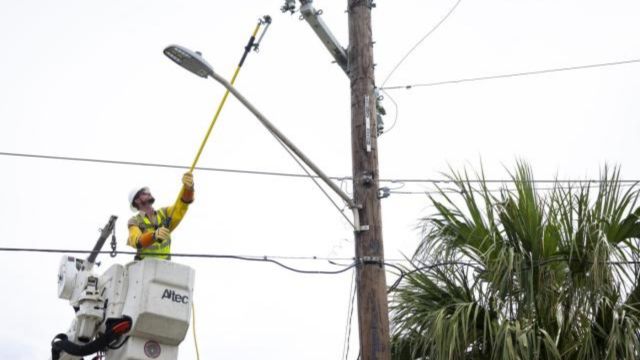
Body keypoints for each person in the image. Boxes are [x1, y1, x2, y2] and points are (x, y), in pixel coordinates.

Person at [127, 172, 195, 260]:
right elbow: (136, 241)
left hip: (164, 267)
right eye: (144, 193)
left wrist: (188, 189)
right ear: (136, 200)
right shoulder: (134, 221)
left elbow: (182, 205)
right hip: (144, 268)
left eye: (148, 191)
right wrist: (154, 236)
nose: (148, 193)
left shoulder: (164, 213)